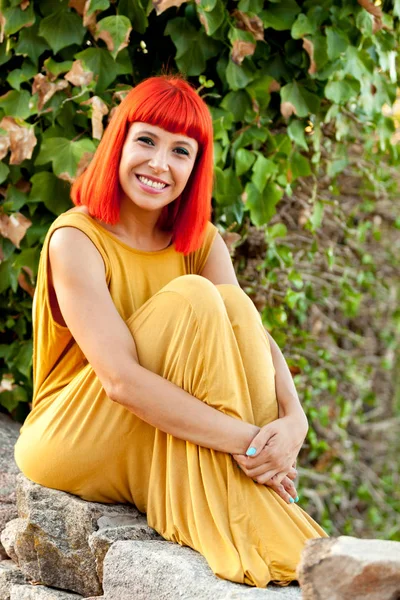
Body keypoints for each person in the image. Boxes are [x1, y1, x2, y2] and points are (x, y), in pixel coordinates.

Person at [14, 74, 327, 588]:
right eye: (146, 141)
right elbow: (120, 381)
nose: (160, 163)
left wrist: (294, 422)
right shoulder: (76, 237)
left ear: (195, 168)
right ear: (119, 143)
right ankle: (258, 520)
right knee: (195, 297)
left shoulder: (198, 241)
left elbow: (252, 332)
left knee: (230, 302)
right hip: (76, 432)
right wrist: (252, 445)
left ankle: (248, 516)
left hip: (164, 424)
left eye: (180, 151)